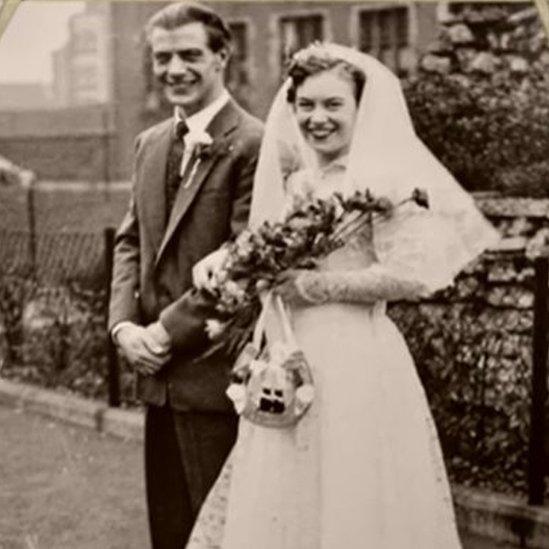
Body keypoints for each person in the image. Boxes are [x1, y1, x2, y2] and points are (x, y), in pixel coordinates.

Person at [186, 43, 500, 548]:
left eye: (333, 105)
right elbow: (272, 250)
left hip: (357, 355)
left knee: (352, 487)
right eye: (306, 105)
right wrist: (226, 261)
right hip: (292, 353)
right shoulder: (300, 182)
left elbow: (411, 276)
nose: (317, 118)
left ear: (360, 108)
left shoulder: (385, 181)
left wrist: (314, 286)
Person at [107, 3, 263, 547]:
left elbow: (247, 262)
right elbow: (131, 240)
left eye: (191, 55)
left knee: (222, 531)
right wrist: (124, 328)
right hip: (159, 381)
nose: (175, 69)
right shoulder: (149, 143)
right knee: (170, 531)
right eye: (163, 57)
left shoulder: (254, 143)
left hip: (213, 377)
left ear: (222, 56)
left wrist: (164, 332)